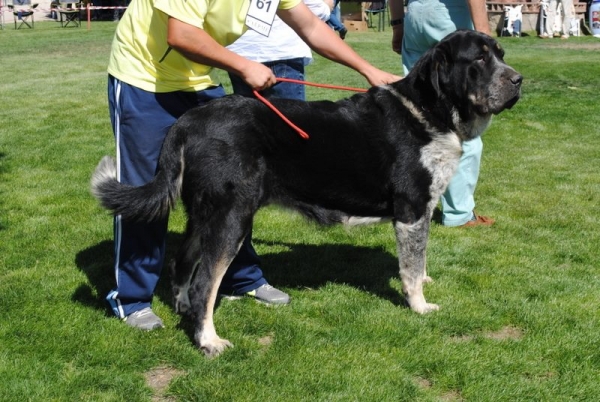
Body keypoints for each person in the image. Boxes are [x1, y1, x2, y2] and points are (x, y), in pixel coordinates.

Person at [105, 0, 401, 330]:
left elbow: (312, 26)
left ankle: (243, 279)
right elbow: (182, 35)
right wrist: (244, 65)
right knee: (149, 190)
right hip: (143, 79)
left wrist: (368, 70)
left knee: (236, 189)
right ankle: (132, 300)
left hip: (196, 79)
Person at [389, 0, 495, 228]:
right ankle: (460, 214)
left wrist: (398, 24)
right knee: (464, 121)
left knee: (420, 112)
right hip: (449, 17)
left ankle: (414, 193)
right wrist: (484, 32)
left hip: (415, 17)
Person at [227, 0, 333, 100]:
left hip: (239, 54)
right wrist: (327, 5)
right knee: (286, 117)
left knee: (248, 117)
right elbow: (316, 12)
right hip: (281, 51)